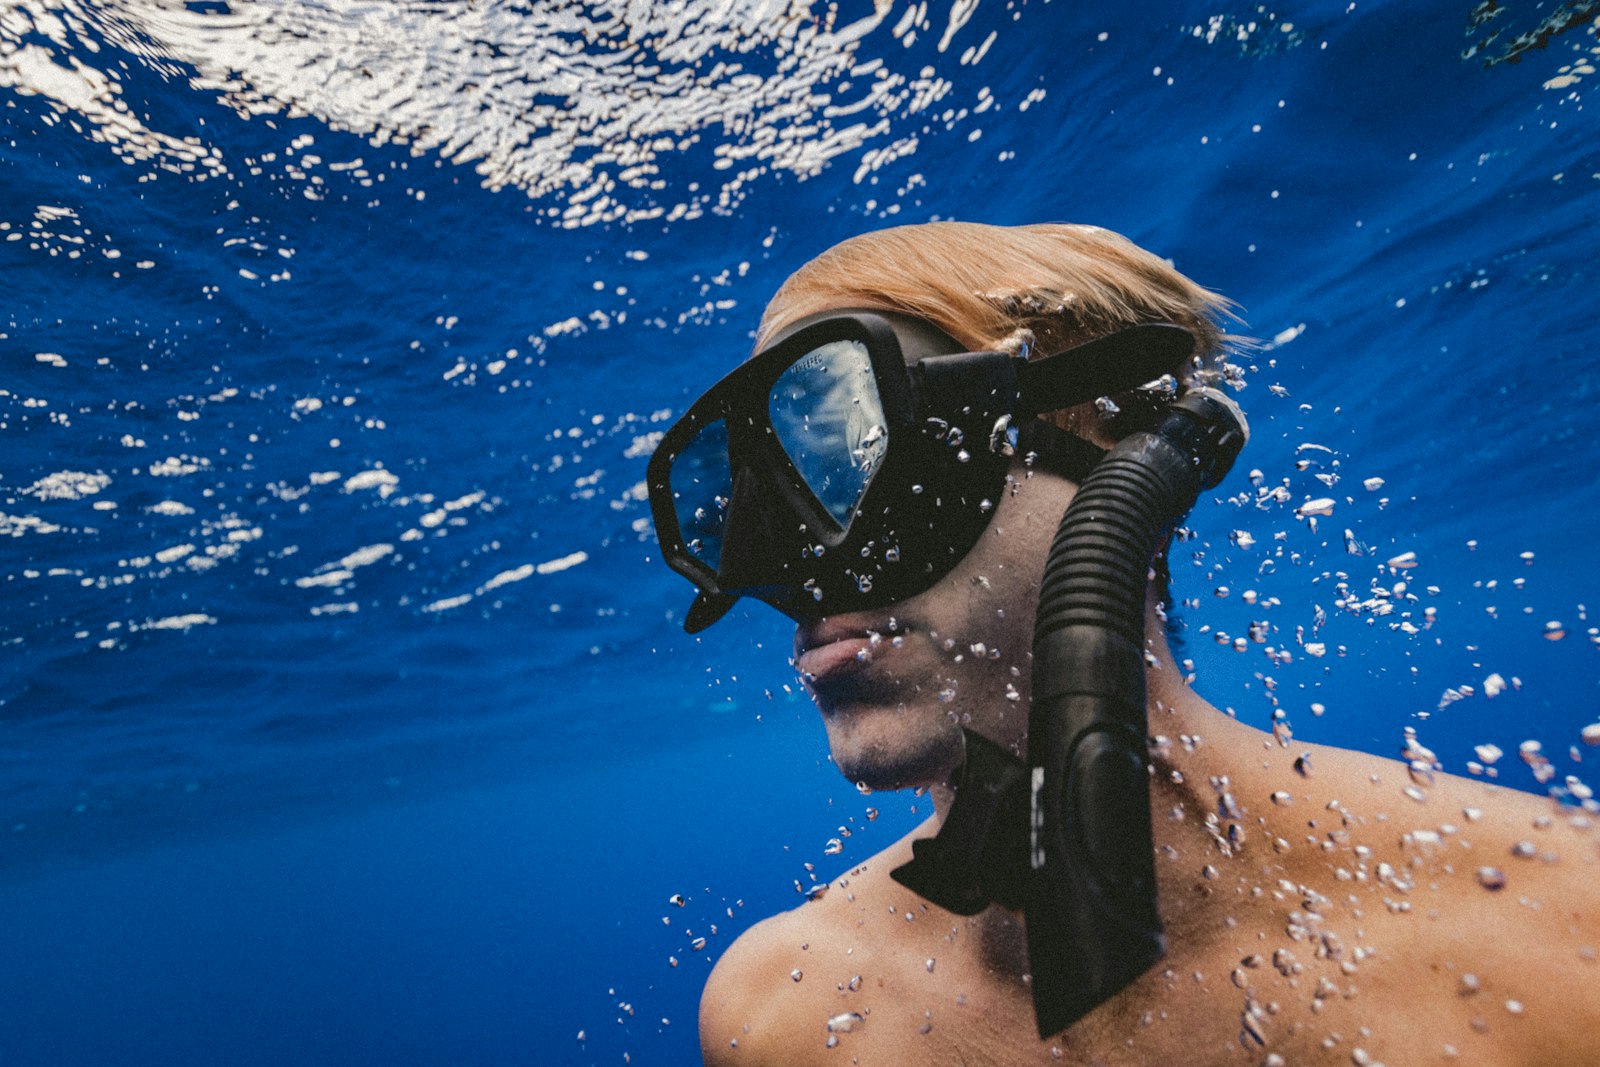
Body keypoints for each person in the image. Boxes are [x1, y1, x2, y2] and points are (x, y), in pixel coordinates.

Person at [650, 222, 1599, 1066]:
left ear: (1126, 454)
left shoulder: (1562, 942)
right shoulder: (781, 1011)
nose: (798, 572)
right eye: (746, 507)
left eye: (857, 460)